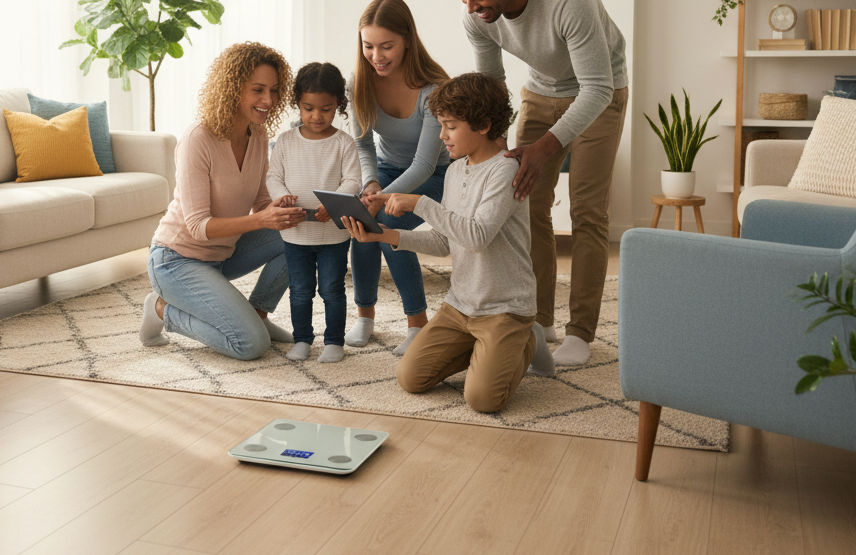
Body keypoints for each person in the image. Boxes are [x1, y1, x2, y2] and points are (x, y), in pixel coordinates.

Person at [450, 0, 628, 367]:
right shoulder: (477, 18)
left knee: (588, 210)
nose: (472, 8)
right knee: (525, 203)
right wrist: (495, 157)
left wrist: (546, 148)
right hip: (539, 93)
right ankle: (539, 319)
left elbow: (597, 88)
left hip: (600, 94)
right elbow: (493, 90)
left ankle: (582, 331)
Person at [345, 72, 555, 413]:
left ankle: (526, 339)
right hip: (461, 306)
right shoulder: (456, 171)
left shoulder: (505, 170)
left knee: (482, 400)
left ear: (484, 124)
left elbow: (476, 236)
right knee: (410, 378)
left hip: (504, 309)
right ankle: (484, 350)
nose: (442, 135)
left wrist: (419, 203)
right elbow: (445, 242)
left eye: (451, 126)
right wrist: (381, 235)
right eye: (441, 124)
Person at [141, 42, 305, 360]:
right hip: (176, 260)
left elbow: (260, 201)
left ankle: (257, 313)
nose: (268, 100)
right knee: (251, 345)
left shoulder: (257, 135)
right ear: (232, 88)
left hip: (223, 254)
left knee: (297, 232)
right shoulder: (197, 139)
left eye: (273, 90)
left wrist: (287, 207)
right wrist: (262, 219)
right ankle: (161, 309)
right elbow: (198, 226)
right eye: (258, 90)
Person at [347, 0, 451, 356]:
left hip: (437, 172)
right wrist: (371, 185)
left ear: (407, 39)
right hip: (389, 171)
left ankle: (417, 323)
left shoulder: (433, 89)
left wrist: (381, 200)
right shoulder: (358, 82)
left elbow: (424, 164)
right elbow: (363, 147)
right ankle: (365, 315)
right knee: (360, 220)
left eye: (387, 46)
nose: (376, 56)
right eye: (368, 46)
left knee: (387, 218)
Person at [266, 62, 360, 363]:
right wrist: (281, 197)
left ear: (338, 107)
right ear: (297, 104)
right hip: (296, 233)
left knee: (332, 290)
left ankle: (334, 341)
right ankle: (303, 339)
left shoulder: (343, 143)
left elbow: (353, 181)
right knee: (300, 291)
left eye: (326, 109)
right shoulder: (285, 141)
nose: (316, 116)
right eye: (308, 108)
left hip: (333, 233)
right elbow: (273, 177)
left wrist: (332, 205)